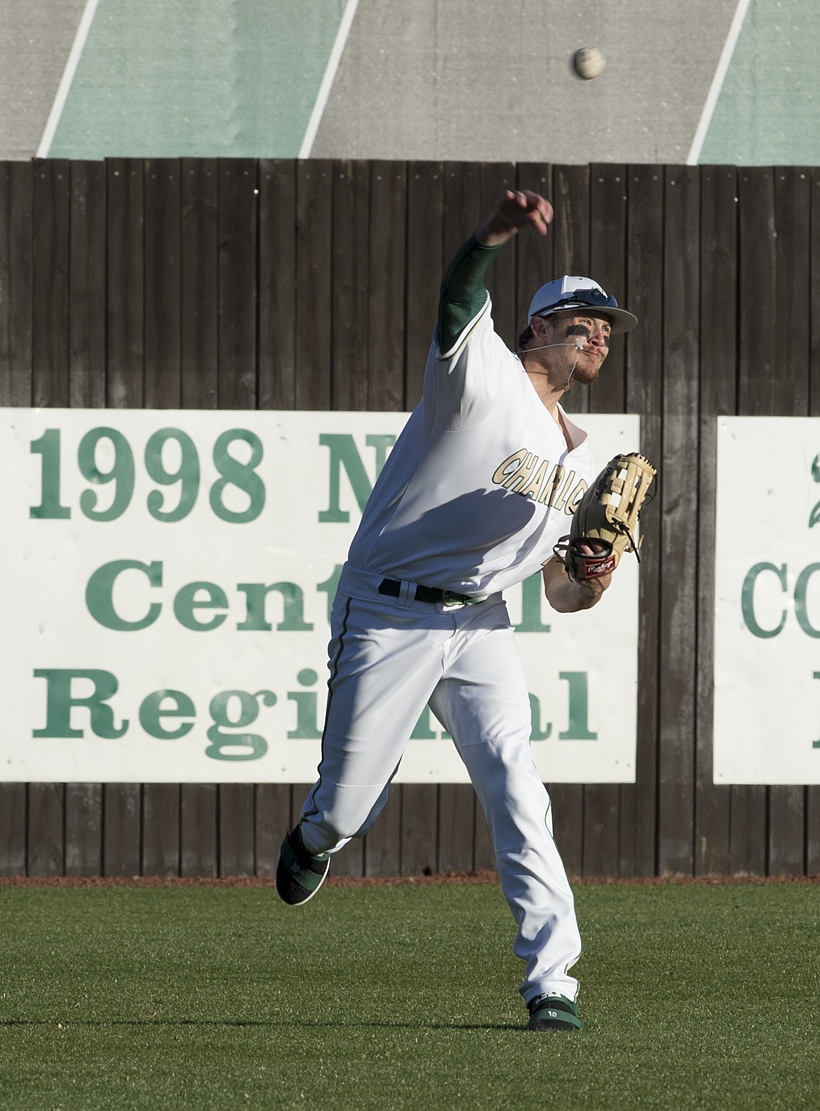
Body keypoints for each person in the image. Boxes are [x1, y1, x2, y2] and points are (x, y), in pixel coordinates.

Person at [275, 189, 636, 1034]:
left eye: (609, 324)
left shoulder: (581, 459)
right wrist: (494, 235)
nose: (602, 332)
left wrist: (591, 576)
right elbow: (456, 299)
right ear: (539, 326)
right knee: (345, 808)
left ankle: (553, 982)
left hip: (481, 623)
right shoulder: (480, 375)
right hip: (390, 612)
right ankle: (314, 836)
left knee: (517, 785)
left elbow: (559, 592)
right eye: (586, 318)